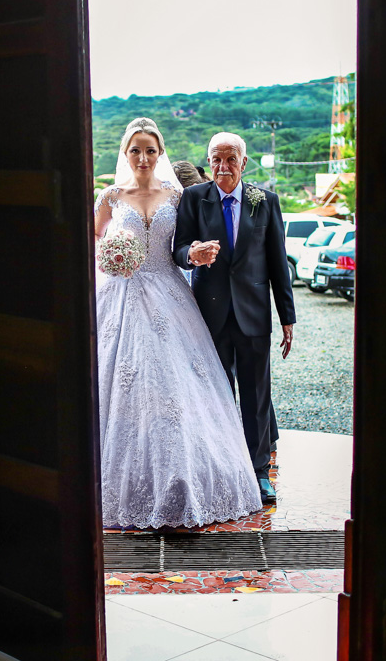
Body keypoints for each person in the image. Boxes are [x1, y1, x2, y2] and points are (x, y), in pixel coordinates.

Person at [94, 118, 262, 528]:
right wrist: (110, 258)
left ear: (161, 154)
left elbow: (183, 246)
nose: (144, 157)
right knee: (121, 387)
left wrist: (198, 253)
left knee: (176, 387)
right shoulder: (110, 197)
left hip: (169, 296)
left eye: (151, 150)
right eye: (136, 149)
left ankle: (185, 475)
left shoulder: (178, 195)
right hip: (121, 295)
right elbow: (91, 241)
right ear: (125, 153)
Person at [173, 132, 297, 502]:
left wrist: (287, 317)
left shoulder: (265, 201)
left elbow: (278, 263)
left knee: (257, 394)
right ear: (208, 161)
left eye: (230, 159)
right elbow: (177, 248)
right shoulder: (195, 197)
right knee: (217, 391)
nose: (223, 167)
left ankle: (259, 472)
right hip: (209, 314)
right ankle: (226, 466)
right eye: (216, 159)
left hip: (254, 314)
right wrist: (193, 254)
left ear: (244, 163)